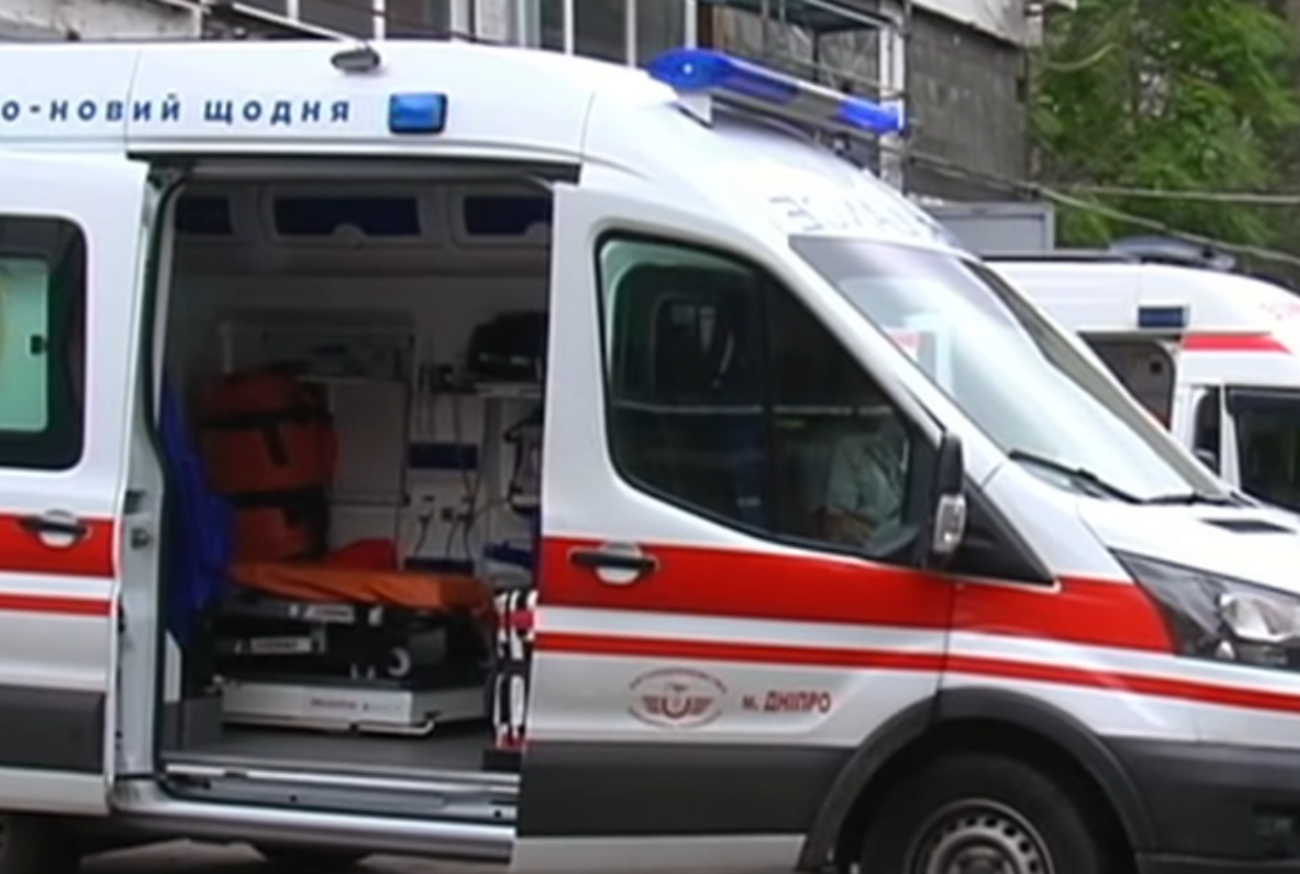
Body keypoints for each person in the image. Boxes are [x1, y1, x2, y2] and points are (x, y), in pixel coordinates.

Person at [822, 411, 908, 547]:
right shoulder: (852, 450)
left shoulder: (929, 446)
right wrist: (878, 541)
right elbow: (836, 520)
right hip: (877, 548)